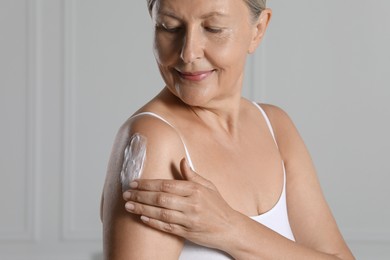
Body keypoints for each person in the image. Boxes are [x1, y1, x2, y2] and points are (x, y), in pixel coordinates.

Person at [101, 0, 355, 259]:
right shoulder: (154, 140)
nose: (188, 53)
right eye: (169, 27)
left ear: (257, 30)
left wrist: (230, 228)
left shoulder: (276, 127)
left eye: (213, 28)